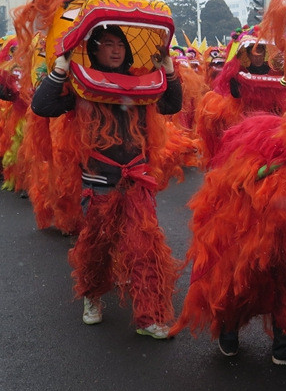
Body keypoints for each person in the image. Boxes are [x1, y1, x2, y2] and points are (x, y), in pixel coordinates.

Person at [31, 25, 182, 339]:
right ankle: (93, 295)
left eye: (120, 45)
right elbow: (42, 106)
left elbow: (171, 105)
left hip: (137, 180)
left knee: (144, 249)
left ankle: (148, 317)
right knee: (97, 249)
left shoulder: (142, 83)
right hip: (98, 183)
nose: (116, 51)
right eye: (108, 45)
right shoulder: (81, 85)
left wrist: (168, 67)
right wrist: (62, 66)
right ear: (94, 50)